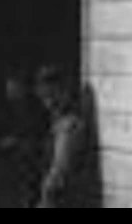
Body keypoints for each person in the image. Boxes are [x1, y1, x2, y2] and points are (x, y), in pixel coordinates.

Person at [34, 66, 97, 209]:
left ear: (65, 92)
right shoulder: (58, 123)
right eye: (45, 98)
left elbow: (58, 175)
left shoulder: (69, 126)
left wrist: (45, 201)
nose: (49, 104)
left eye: (53, 96)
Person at [0, 68, 48, 208]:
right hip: (11, 167)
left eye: (14, 86)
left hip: (29, 165)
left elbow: (40, 138)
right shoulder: (8, 109)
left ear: (23, 87)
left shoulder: (35, 110)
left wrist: (17, 142)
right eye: (8, 87)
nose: (10, 91)